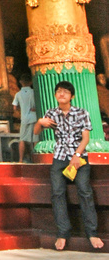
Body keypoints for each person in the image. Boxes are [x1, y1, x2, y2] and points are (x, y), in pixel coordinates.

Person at [34, 80, 103, 251]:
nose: (61, 94)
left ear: (71, 96)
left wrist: (77, 156)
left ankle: (92, 232)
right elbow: (35, 132)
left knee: (84, 191)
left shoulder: (81, 113)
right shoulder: (51, 113)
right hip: (59, 157)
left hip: (79, 157)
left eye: (65, 92)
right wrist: (39, 122)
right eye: (58, 91)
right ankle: (63, 233)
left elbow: (85, 138)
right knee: (57, 193)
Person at [13, 72, 37, 163]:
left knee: (22, 139)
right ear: (31, 82)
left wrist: (22, 108)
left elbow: (15, 107)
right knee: (35, 139)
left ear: (20, 82)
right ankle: (36, 158)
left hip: (24, 118)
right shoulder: (34, 92)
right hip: (34, 117)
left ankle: (20, 159)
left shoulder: (18, 94)